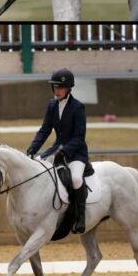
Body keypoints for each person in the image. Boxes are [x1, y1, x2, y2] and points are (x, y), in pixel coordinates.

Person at [26, 68, 88, 234]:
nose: (57, 90)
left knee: (75, 179)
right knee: (37, 168)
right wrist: (33, 147)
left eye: (60, 87)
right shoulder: (52, 105)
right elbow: (45, 130)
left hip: (76, 153)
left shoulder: (78, 107)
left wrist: (65, 151)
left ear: (68, 89)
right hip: (55, 149)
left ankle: (80, 217)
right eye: (55, 87)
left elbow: (79, 136)